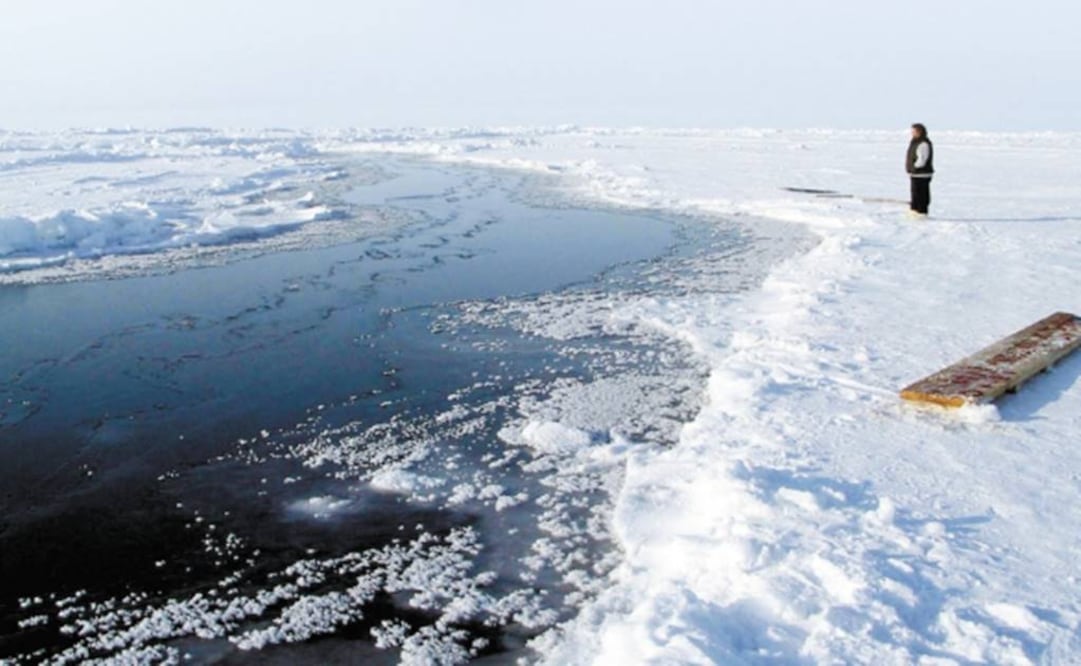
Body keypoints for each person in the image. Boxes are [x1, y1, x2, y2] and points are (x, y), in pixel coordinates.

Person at [906, 123, 934, 216]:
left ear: (919, 132)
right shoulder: (915, 142)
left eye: (914, 131)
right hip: (916, 174)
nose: (912, 133)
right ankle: (915, 211)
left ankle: (921, 212)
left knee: (921, 195)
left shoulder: (923, 143)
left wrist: (914, 167)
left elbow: (922, 159)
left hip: (921, 174)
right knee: (915, 194)